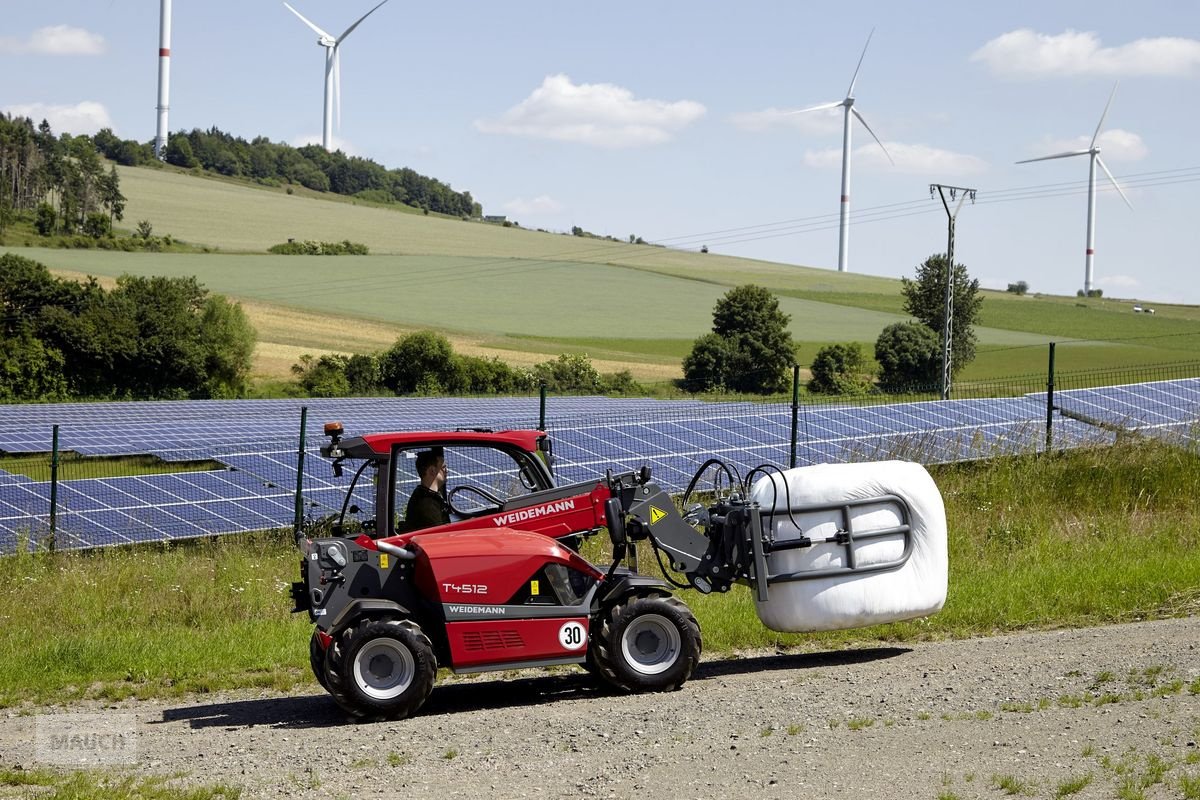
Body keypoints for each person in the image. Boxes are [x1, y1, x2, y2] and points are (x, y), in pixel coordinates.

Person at [405, 447, 450, 531]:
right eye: (443, 467)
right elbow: (441, 534)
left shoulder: (422, 494)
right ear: (432, 471)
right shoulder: (427, 505)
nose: (447, 471)